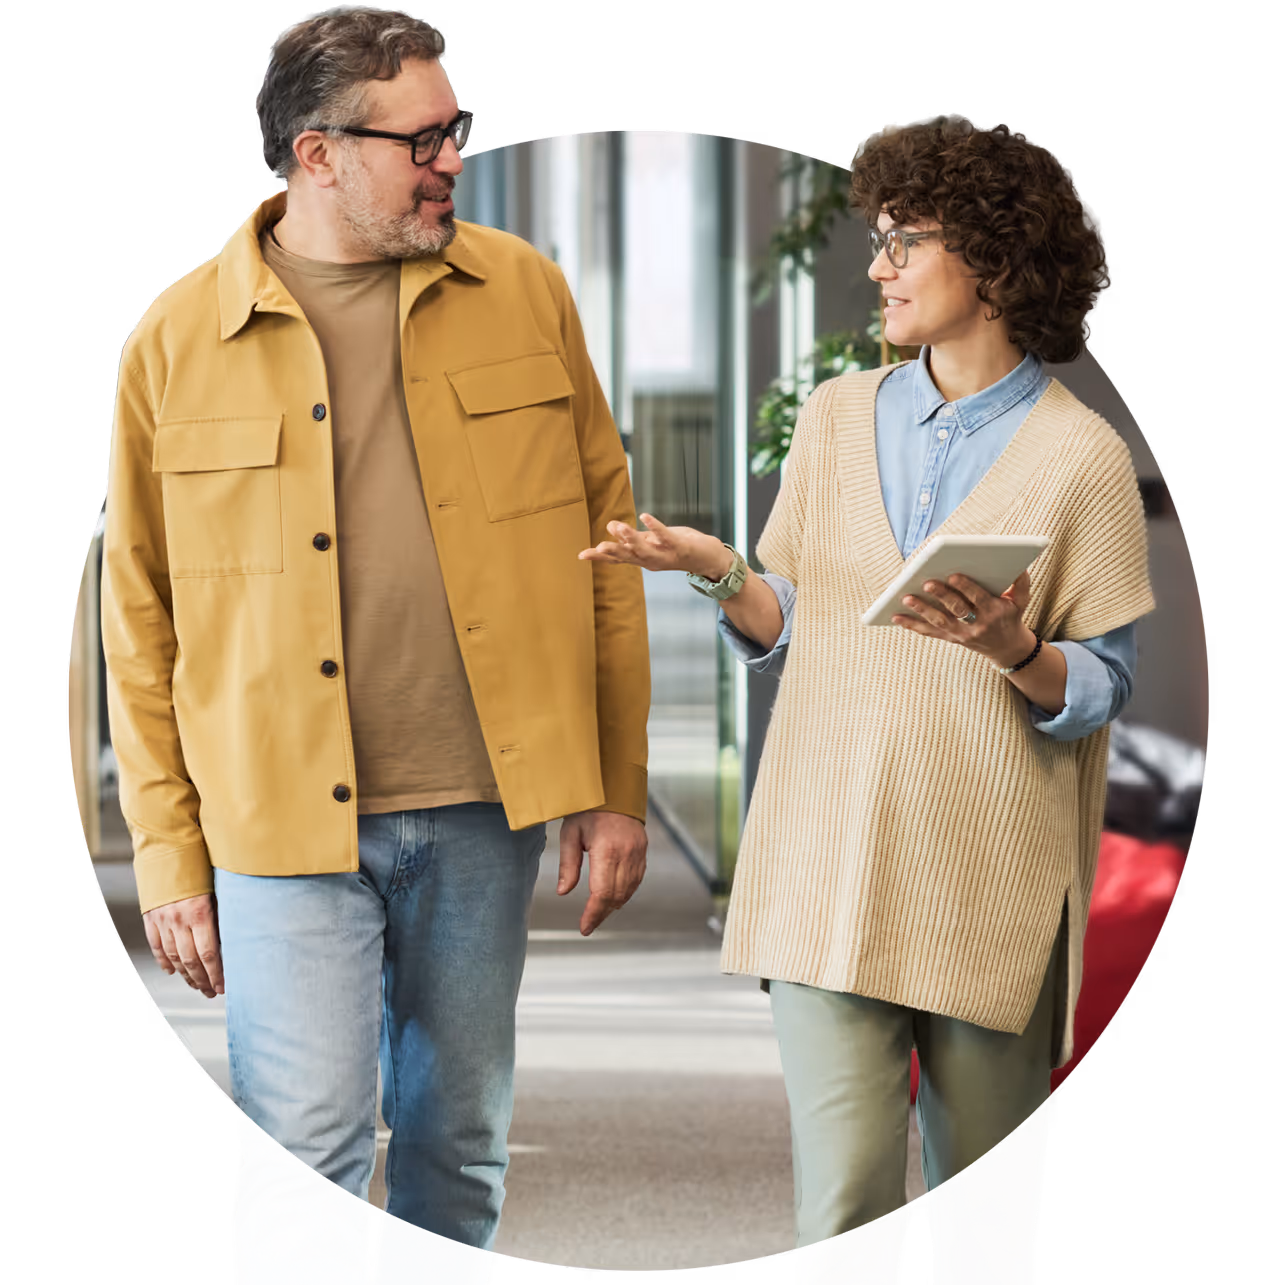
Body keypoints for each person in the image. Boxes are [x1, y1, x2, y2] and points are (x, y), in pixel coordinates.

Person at [100, 9, 649, 1283]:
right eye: (422, 139)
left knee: (458, 1142)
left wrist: (614, 785)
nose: (451, 157)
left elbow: (606, 551)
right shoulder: (175, 340)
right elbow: (138, 621)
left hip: (483, 803)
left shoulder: (523, 291)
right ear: (316, 154)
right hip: (278, 822)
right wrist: (170, 853)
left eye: (455, 129)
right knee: (304, 1152)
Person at [581, 115, 1153, 1284]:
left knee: (987, 1241)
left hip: (989, 886)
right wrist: (717, 570)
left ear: (991, 261)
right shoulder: (838, 417)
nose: (878, 267)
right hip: (825, 867)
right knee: (839, 1219)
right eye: (876, 241)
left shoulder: (1081, 455)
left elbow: (1103, 684)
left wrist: (1013, 648)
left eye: (905, 242)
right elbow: (799, 614)